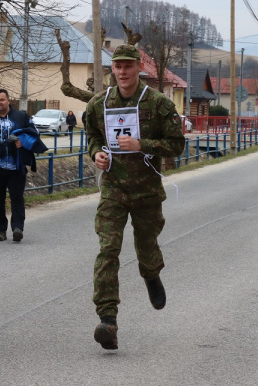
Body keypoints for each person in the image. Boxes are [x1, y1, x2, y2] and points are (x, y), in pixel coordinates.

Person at [85, 44, 185, 350]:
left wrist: (142, 144)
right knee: (108, 249)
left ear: (138, 68)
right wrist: (97, 154)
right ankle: (107, 320)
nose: (123, 72)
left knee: (146, 244)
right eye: (118, 67)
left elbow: (177, 144)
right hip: (114, 189)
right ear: (112, 69)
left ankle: (151, 274)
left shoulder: (157, 104)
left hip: (146, 191)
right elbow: (93, 138)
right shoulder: (98, 104)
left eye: (129, 66)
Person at [0, 88, 47, 242]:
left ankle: (17, 228)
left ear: (8, 100)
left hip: (17, 165)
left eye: (2, 99)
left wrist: (24, 142)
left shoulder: (21, 117)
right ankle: (0, 230)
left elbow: (34, 133)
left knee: (17, 197)